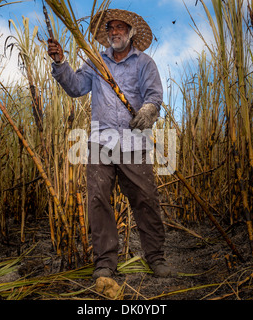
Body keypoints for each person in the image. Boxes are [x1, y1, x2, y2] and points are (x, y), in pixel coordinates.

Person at [48, 9, 171, 279]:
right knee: (98, 199)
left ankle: (156, 257)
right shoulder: (95, 62)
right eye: (110, 28)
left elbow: (154, 95)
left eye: (120, 27)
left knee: (145, 199)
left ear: (130, 32)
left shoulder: (144, 63)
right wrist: (60, 63)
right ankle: (104, 262)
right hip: (100, 142)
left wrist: (149, 111)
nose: (114, 32)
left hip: (134, 142)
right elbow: (76, 87)